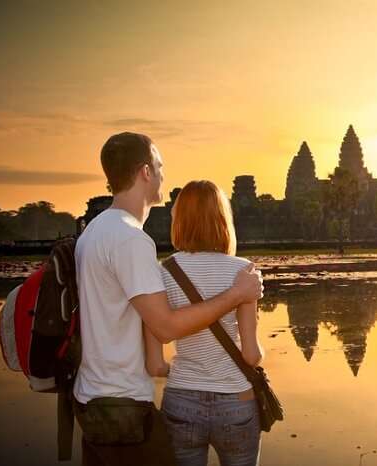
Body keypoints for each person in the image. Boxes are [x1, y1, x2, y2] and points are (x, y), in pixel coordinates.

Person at [73, 132, 263, 466]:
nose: (163, 174)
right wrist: (235, 294)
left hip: (97, 396)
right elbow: (164, 326)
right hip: (123, 404)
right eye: (159, 166)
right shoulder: (129, 238)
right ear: (145, 172)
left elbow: (154, 350)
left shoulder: (96, 230)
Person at [144, 180, 264, 466]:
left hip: (181, 403)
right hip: (236, 402)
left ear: (180, 221)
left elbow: (155, 365)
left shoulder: (163, 272)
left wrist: (187, 373)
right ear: (223, 220)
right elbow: (251, 355)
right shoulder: (243, 272)